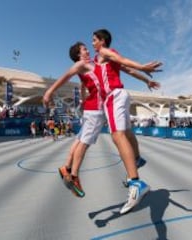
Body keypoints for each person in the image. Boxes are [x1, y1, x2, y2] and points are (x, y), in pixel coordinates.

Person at [43, 42, 159, 198]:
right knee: (85, 142)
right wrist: (49, 92)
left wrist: (145, 80)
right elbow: (66, 77)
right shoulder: (81, 64)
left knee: (81, 140)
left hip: (98, 107)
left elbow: (126, 70)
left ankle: (67, 168)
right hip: (96, 109)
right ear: (78, 54)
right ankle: (74, 175)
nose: (88, 50)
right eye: (84, 49)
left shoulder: (95, 65)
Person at [92, 28, 162, 214]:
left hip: (114, 96)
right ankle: (137, 158)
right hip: (119, 96)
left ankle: (135, 183)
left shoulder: (104, 52)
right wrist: (145, 80)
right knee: (126, 133)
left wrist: (143, 68)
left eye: (94, 40)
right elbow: (128, 70)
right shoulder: (101, 61)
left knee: (117, 135)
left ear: (102, 41)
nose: (92, 44)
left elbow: (125, 61)